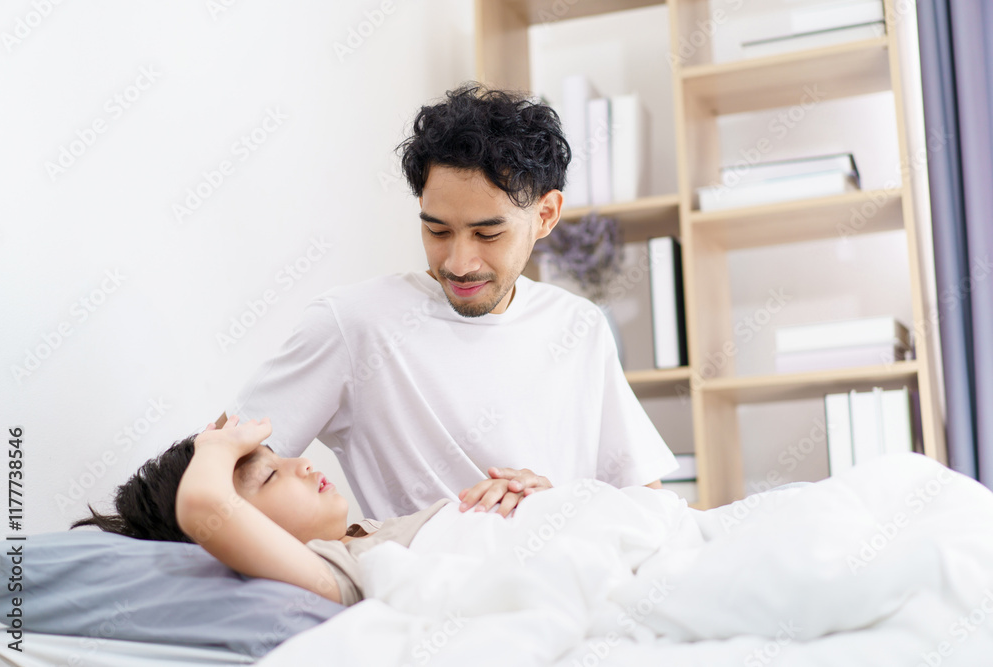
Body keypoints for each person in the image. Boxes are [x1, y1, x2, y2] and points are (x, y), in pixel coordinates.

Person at [216, 83, 678, 520]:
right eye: (437, 230)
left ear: (546, 215)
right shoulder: (354, 324)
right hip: (427, 573)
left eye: (487, 233)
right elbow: (211, 471)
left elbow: (649, 509)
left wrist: (556, 503)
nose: (458, 263)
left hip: (570, 567)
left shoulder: (579, 325)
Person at [75, 417, 517, 605]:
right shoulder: (331, 568)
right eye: (269, 476)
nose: (303, 464)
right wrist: (216, 447)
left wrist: (522, 492)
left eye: (279, 459)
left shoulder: (365, 532)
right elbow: (204, 507)